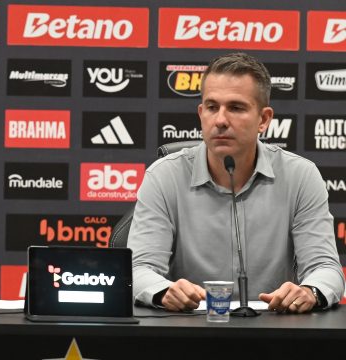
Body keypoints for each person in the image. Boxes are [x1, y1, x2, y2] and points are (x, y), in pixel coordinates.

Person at [128, 52, 344, 313]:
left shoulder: (300, 176)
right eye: (211, 107)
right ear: (201, 113)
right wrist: (163, 290)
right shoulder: (163, 176)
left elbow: (326, 268)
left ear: (263, 119)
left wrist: (309, 291)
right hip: (188, 331)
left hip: (274, 334)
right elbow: (139, 269)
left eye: (236, 107)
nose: (220, 120)